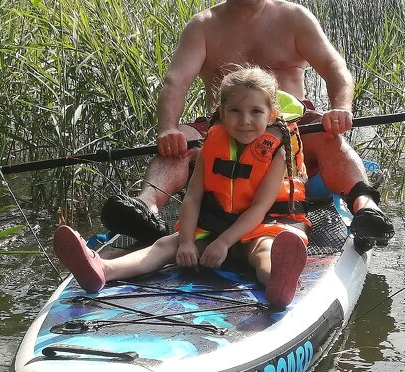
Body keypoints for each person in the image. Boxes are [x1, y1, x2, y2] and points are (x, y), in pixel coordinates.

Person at [100, 0, 394, 247]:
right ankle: (145, 208)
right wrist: (167, 128)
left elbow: (336, 68)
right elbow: (176, 82)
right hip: (226, 126)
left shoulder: (294, 18)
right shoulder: (202, 25)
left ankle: (366, 209)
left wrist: (342, 109)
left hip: (291, 124)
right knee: (181, 140)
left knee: (329, 137)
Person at [54, 67, 309, 309]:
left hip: (261, 226)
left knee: (265, 251)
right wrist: (187, 242)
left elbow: (259, 207)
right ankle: (103, 270)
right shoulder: (213, 142)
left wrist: (223, 243)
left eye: (256, 112)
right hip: (216, 227)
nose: (244, 120)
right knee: (166, 245)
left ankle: (278, 281)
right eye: (235, 111)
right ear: (221, 111)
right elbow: (193, 198)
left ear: (272, 114)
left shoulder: (278, 149)